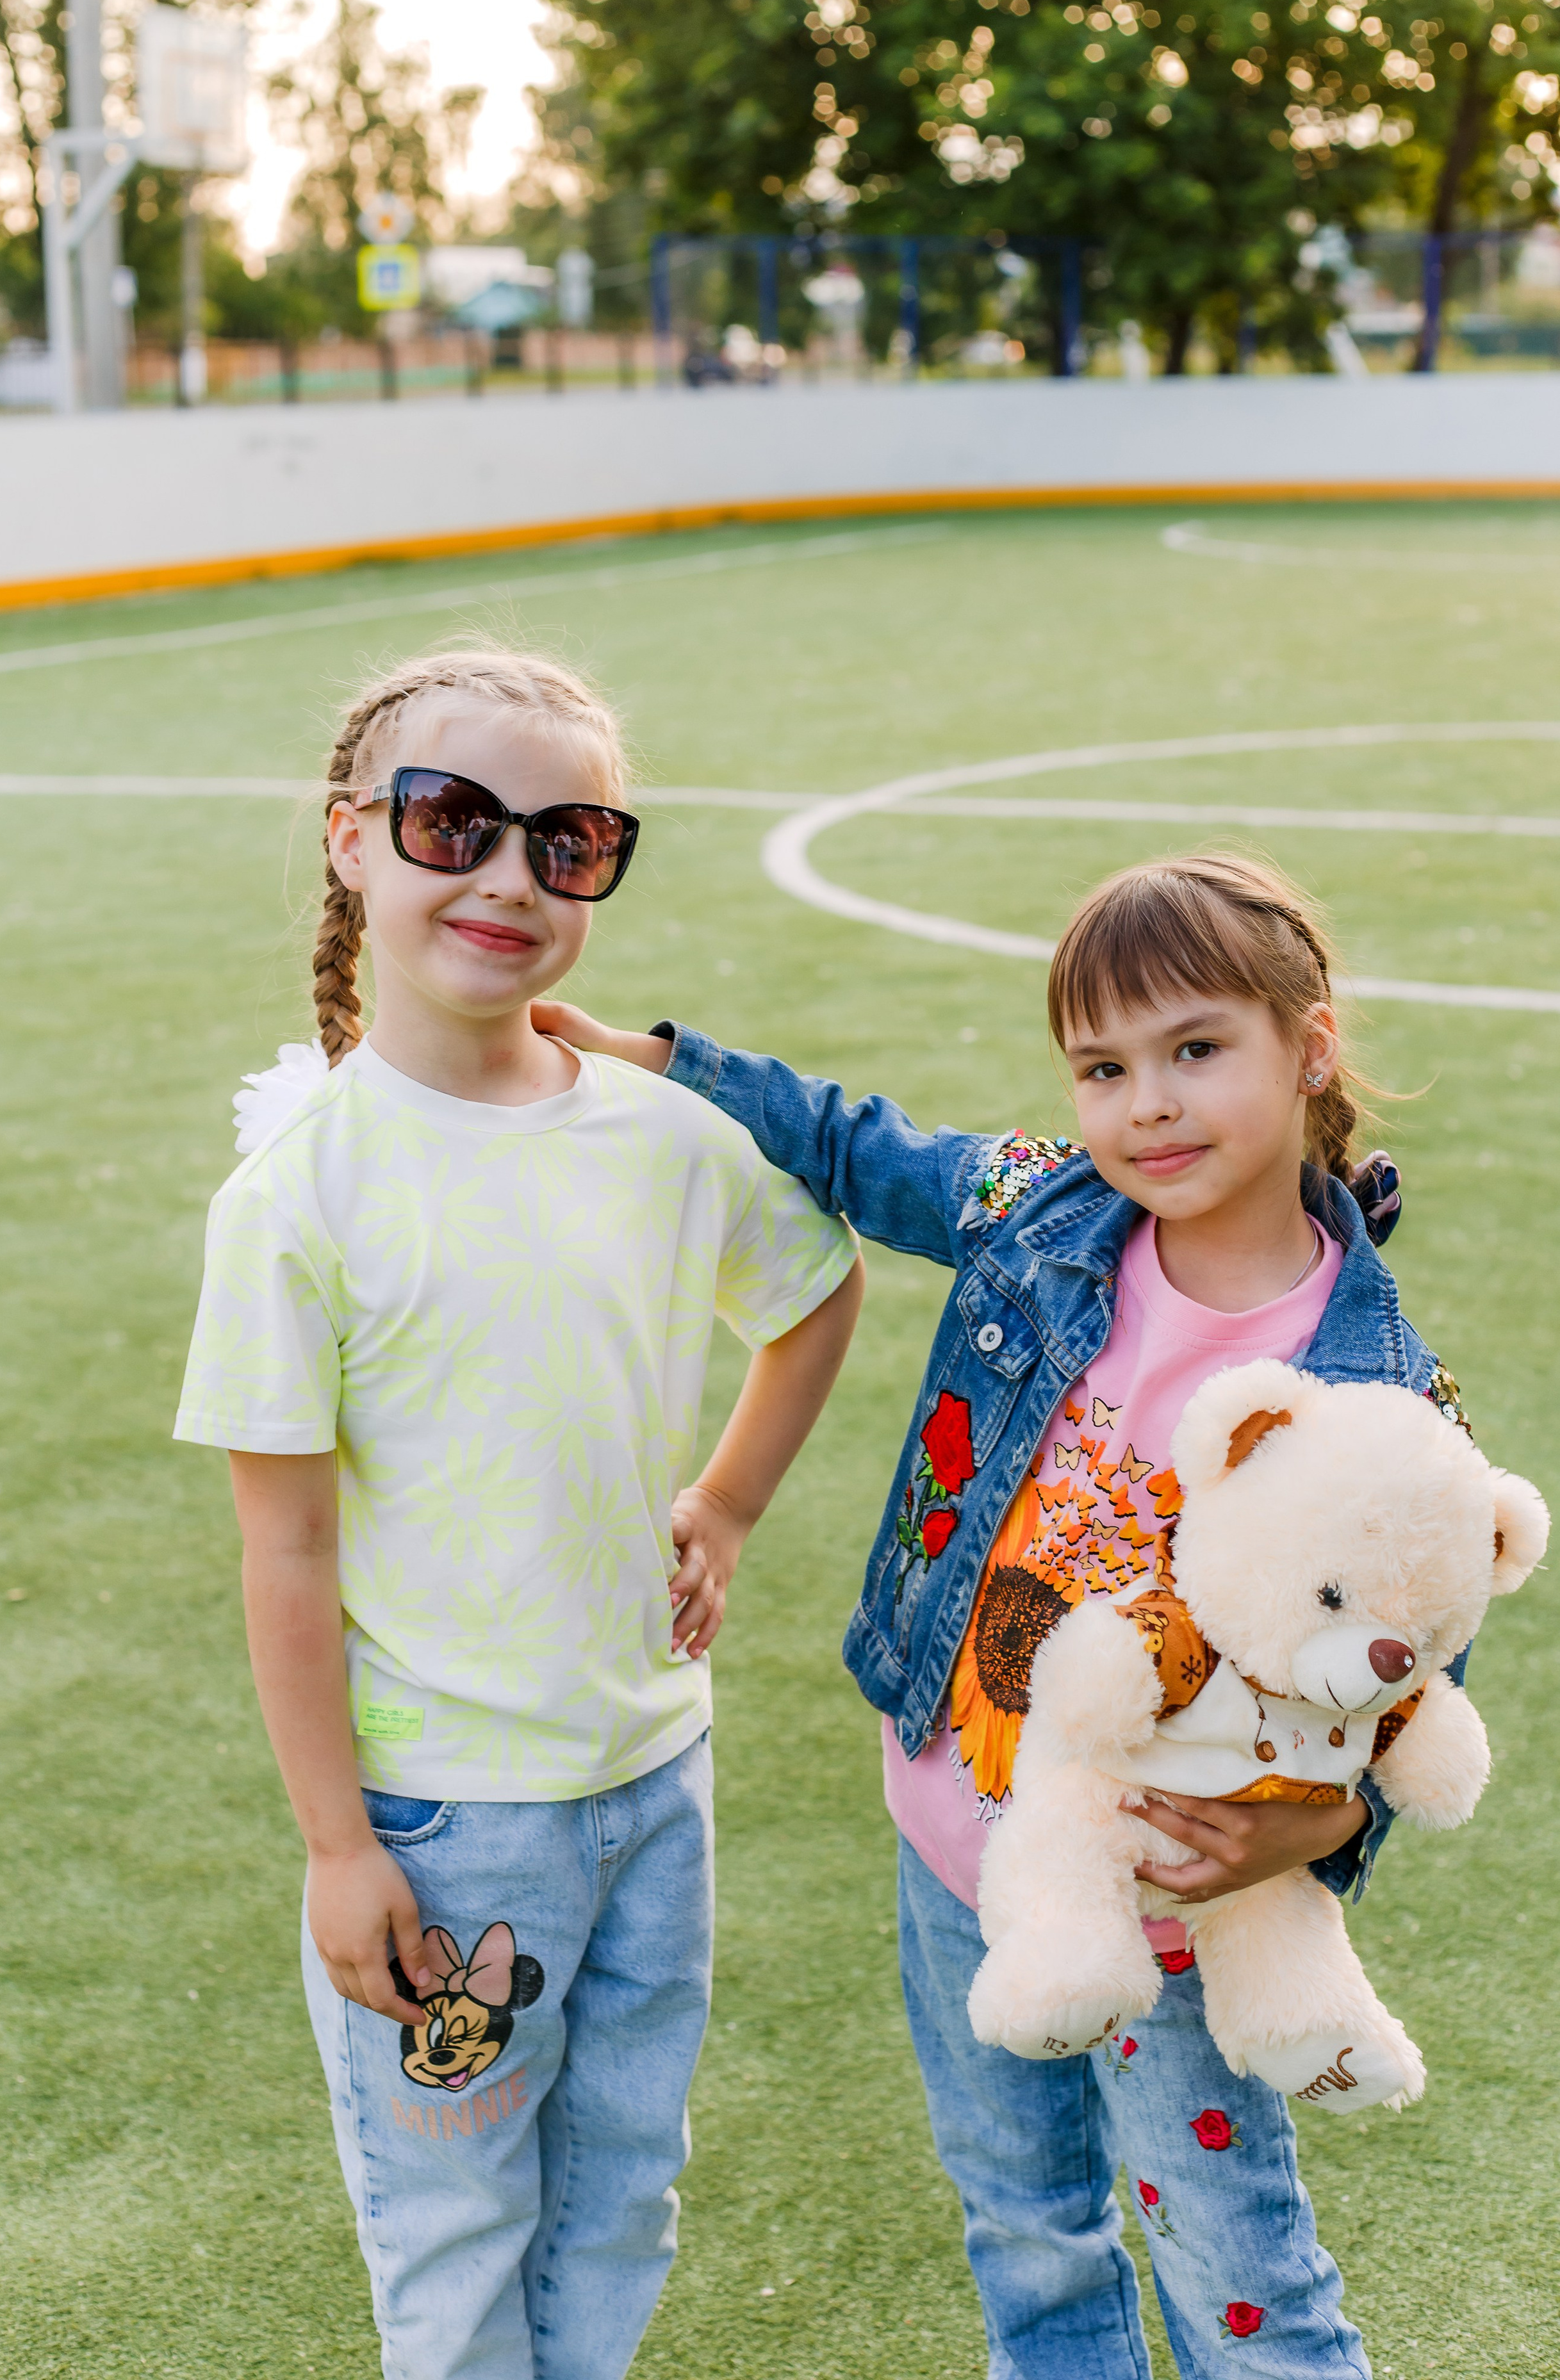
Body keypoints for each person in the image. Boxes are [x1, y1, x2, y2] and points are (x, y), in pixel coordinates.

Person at [535, 851, 1463, 2380]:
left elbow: (1416, 1663)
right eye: (1103, 1067)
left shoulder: (1373, 1387)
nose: (1145, 1106)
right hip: (958, 1841)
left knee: (1237, 2271)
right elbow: (862, 1148)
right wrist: (664, 1063)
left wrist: (1317, 1831)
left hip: (1174, 1894)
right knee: (1025, 2226)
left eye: (1193, 1051)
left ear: (1305, 1051)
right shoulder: (1044, 1211)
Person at [174, 646, 862, 2380]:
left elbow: (813, 1290)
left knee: (624, 2194)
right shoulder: (301, 1196)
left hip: (651, 1787)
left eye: (570, 842)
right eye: (453, 823)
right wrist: (342, 1849)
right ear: (353, 842)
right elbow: (288, 1549)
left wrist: (727, 1500)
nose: (507, 877)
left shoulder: (664, 1133)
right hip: (441, 1824)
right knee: (458, 2226)